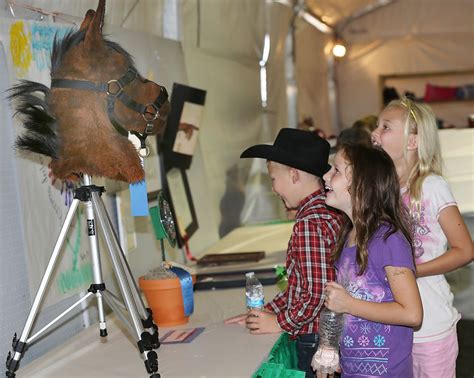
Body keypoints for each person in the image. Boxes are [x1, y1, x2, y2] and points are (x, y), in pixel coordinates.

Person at [225, 128, 342, 377]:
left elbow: (317, 294)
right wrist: (267, 311)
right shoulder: (326, 211)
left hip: (313, 338)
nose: (273, 189)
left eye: (273, 180)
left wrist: (278, 322)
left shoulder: (309, 223)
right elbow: (300, 288)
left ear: (293, 175)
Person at [372, 98, 473, 378]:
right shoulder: (381, 191)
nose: (374, 133)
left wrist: (413, 271)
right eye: (377, 126)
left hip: (430, 326)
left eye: (385, 127)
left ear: (412, 141)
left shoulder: (432, 186)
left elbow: (464, 250)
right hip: (393, 326)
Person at [318, 144, 423, 377]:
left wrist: (348, 304)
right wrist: (329, 347)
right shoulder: (348, 237)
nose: (325, 176)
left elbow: (412, 314)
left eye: (335, 170)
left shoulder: (388, 239)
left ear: (361, 184)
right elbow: (341, 305)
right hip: (353, 369)